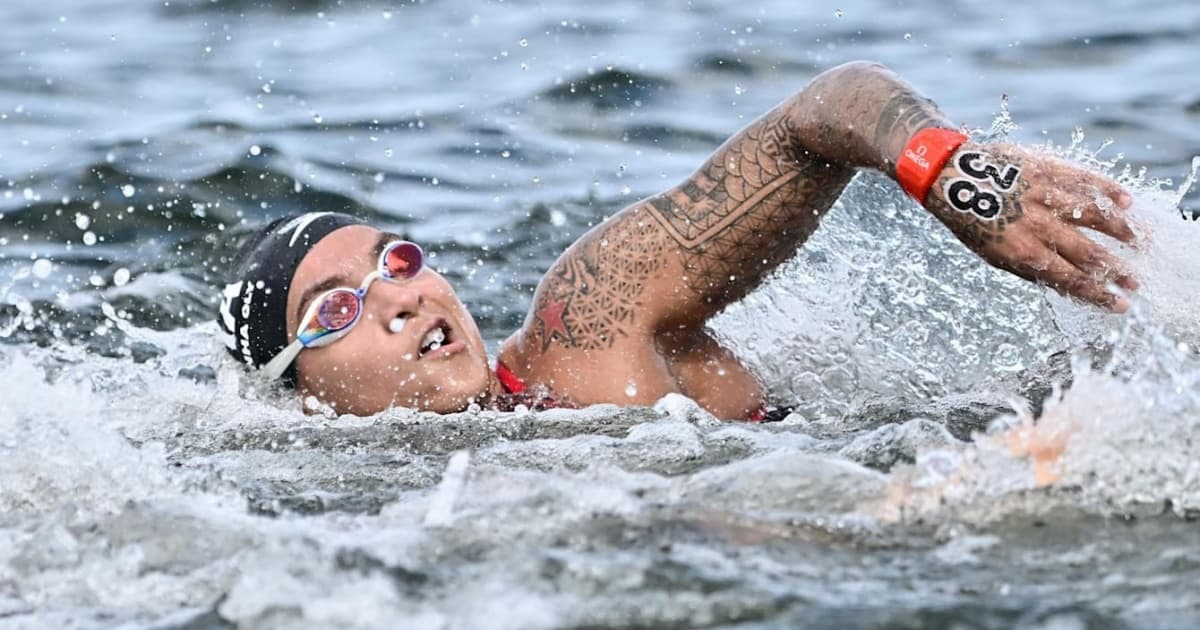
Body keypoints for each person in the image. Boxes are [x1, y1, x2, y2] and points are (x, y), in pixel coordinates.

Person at [217, 61, 1139, 420]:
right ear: (299, 400)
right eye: (337, 308)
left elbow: (823, 111)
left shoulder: (590, 322)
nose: (400, 296)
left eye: (395, 260)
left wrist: (951, 171)